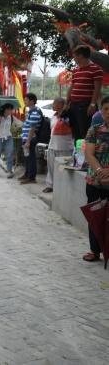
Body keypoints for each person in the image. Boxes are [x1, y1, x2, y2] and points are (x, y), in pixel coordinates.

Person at [81, 95, 109, 263]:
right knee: (95, 216)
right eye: (105, 109)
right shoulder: (95, 129)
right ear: (101, 111)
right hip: (95, 181)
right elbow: (89, 153)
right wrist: (100, 171)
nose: (108, 112)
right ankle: (94, 250)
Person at [66, 46, 103, 141]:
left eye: (74, 56)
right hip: (73, 105)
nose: (73, 58)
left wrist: (92, 104)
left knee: (86, 132)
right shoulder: (76, 70)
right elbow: (72, 86)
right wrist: (67, 103)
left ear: (81, 56)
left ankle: (86, 153)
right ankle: (77, 154)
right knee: (75, 132)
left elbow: (97, 89)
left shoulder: (96, 69)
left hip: (85, 105)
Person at [44, 98, 73, 193]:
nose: (52, 105)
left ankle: (61, 186)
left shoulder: (67, 117)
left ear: (61, 105)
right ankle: (50, 185)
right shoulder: (54, 116)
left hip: (64, 146)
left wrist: (65, 111)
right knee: (51, 167)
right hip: (52, 145)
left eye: (54, 103)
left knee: (62, 168)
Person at [19, 93, 42, 184]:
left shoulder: (35, 112)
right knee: (27, 157)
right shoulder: (31, 111)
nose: (25, 101)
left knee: (31, 158)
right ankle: (27, 174)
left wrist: (28, 141)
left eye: (26, 100)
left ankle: (31, 177)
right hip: (26, 138)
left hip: (30, 139)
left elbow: (32, 129)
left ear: (32, 101)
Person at [0, 103, 16, 178]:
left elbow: (20, 123)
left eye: (11, 109)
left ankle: (9, 171)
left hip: (8, 138)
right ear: (4, 109)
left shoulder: (11, 117)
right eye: (9, 109)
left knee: (9, 154)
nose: (10, 111)